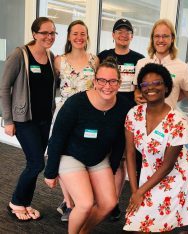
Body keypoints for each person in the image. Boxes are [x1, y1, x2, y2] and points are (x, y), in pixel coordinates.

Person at [44, 57, 131, 234]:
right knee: (85, 203)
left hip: (98, 158)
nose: (107, 86)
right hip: (70, 155)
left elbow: (120, 141)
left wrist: (112, 168)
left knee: (109, 203)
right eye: (102, 80)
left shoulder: (124, 106)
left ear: (119, 83)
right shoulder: (76, 103)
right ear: (94, 81)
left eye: (113, 81)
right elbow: (57, 138)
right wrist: (50, 172)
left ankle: (83, 231)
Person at [123, 63, 188, 232]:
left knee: (161, 225)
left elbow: (168, 165)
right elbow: (129, 153)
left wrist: (140, 192)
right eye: (145, 85)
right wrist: (135, 191)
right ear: (140, 89)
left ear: (166, 87)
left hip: (175, 175)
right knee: (137, 223)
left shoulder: (178, 120)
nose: (151, 88)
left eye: (157, 83)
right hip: (148, 172)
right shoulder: (133, 114)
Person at [0, 17, 57, 221]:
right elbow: (4, 88)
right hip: (24, 119)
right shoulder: (20, 54)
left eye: (52, 33)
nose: (49, 37)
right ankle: (15, 202)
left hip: (44, 119)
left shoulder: (51, 57)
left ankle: (24, 203)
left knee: (33, 162)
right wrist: (7, 120)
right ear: (34, 34)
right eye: (44, 33)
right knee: (36, 163)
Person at [97, 18, 144, 221]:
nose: (123, 35)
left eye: (127, 32)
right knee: (103, 157)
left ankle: (114, 203)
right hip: (105, 113)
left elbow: (141, 87)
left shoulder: (140, 59)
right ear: (114, 35)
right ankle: (102, 198)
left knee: (122, 158)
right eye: (119, 31)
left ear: (132, 36)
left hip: (129, 116)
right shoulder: (103, 56)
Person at [53, 19, 99, 222]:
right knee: (62, 154)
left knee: (80, 154)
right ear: (69, 37)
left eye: (83, 33)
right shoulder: (59, 61)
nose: (79, 37)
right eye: (75, 34)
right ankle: (68, 202)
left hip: (86, 115)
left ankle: (79, 196)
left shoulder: (94, 60)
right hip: (64, 114)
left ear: (87, 37)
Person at [133, 18, 188, 107]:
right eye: (157, 36)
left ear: (172, 38)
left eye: (165, 36)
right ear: (152, 38)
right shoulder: (141, 63)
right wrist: (136, 95)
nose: (161, 40)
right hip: (144, 118)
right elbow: (137, 89)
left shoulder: (182, 67)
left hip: (168, 119)